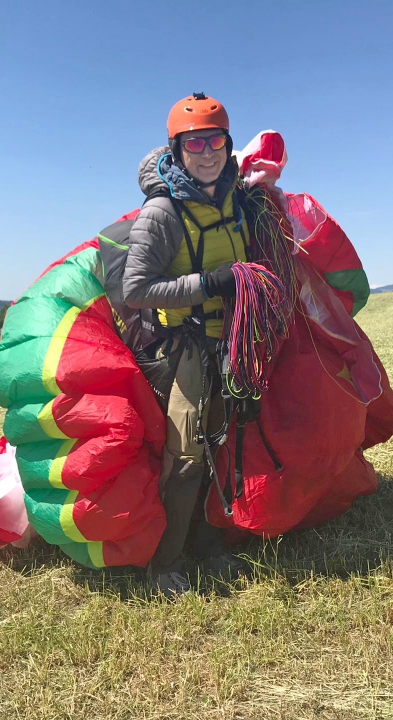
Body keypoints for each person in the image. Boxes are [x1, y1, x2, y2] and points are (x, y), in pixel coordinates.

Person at [123, 93, 251, 598]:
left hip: (234, 343)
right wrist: (208, 284)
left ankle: (209, 548)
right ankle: (165, 564)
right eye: (194, 142)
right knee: (186, 455)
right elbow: (136, 290)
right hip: (185, 349)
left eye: (215, 139)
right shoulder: (161, 212)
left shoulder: (237, 199)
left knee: (223, 445)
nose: (207, 151)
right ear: (177, 150)